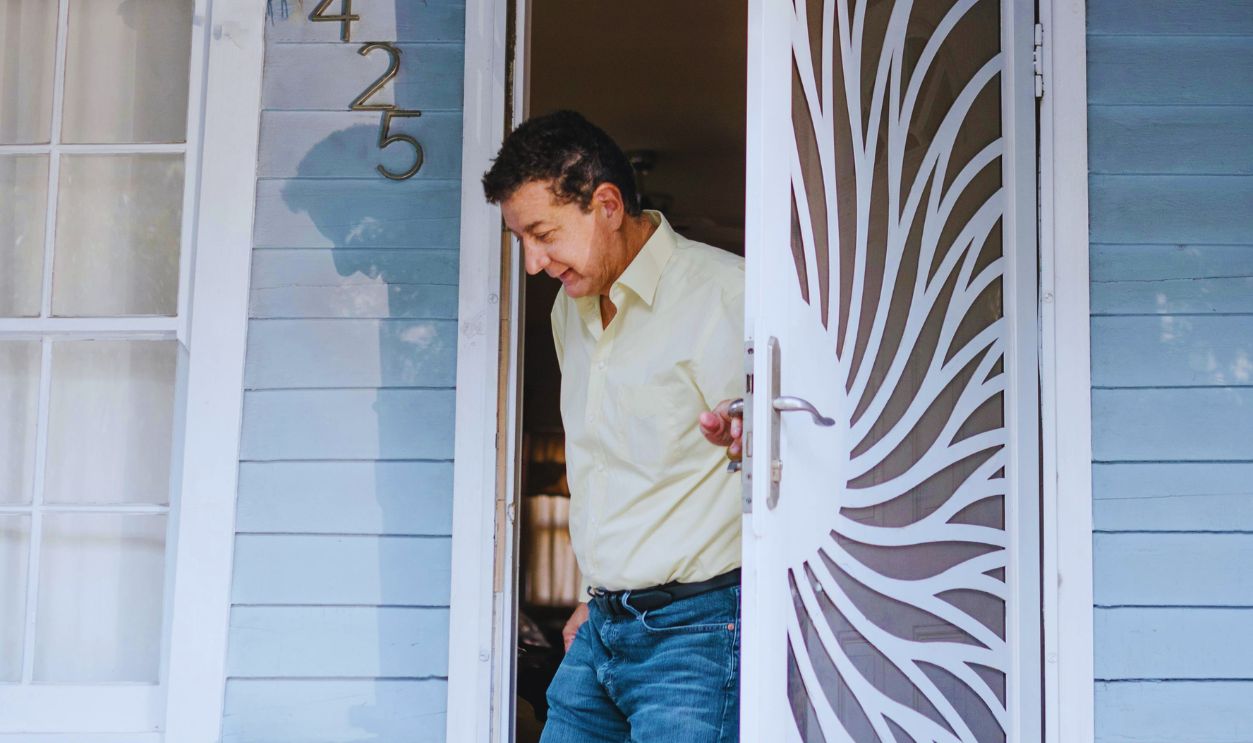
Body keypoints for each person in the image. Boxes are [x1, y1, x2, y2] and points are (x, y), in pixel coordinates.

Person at [482, 110, 745, 742]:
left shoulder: (727, 295)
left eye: (543, 234)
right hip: (601, 626)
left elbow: (783, 462)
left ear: (605, 204)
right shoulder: (569, 313)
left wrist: (748, 441)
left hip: (698, 634)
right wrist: (595, 591)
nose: (533, 263)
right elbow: (609, 473)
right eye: (521, 240)